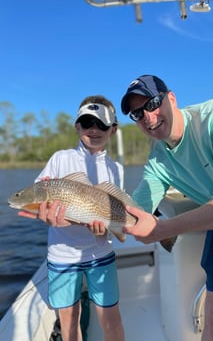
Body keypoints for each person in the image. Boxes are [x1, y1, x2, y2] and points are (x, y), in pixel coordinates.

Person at [120, 74, 213, 341]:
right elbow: (137, 209)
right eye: (137, 114)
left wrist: (165, 229)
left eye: (152, 103)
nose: (148, 117)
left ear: (171, 98)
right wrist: (78, 214)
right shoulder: (158, 157)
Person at [19, 95, 125, 341]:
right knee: (68, 323)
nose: (94, 129)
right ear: (77, 126)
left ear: (113, 129)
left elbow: (116, 216)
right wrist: (45, 214)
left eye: (102, 124)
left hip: (100, 254)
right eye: (87, 122)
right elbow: (39, 193)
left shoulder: (115, 169)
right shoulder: (59, 159)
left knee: (111, 321)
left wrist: (104, 231)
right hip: (62, 255)